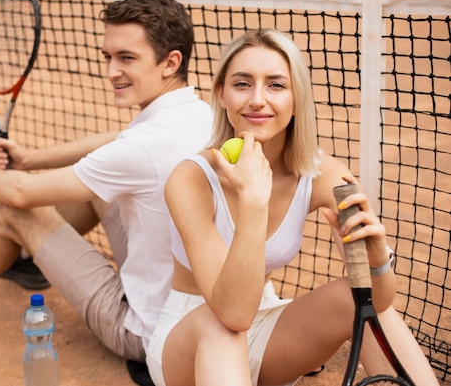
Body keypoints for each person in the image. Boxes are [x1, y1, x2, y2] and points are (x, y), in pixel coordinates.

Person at [0, 0, 213, 370]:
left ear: (170, 61)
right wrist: (29, 158)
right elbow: (115, 144)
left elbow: (21, 193)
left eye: (127, 57)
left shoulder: (142, 148)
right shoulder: (198, 114)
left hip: (147, 332)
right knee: (97, 185)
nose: (111, 71)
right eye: (108, 56)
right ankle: (28, 262)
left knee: (13, 212)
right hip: (195, 311)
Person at [145, 29, 439, 386]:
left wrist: (377, 262)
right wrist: (253, 200)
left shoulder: (325, 175)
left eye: (275, 85)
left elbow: (375, 302)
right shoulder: (190, 178)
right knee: (218, 323)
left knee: (355, 299)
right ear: (221, 94)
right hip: (189, 341)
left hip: (265, 329)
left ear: (297, 97)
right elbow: (233, 313)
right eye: (242, 84)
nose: (257, 99)